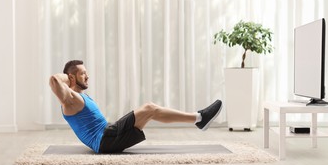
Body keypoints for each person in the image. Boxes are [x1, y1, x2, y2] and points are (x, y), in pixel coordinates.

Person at [49, 60, 222, 153]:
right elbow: (54, 80)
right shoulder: (70, 100)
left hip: (108, 136)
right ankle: (200, 118)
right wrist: (67, 77)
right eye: (83, 73)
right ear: (72, 77)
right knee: (149, 108)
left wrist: (72, 77)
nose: (87, 76)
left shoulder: (80, 96)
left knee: (151, 111)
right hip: (105, 139)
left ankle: (199, 119)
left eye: (87, 72)